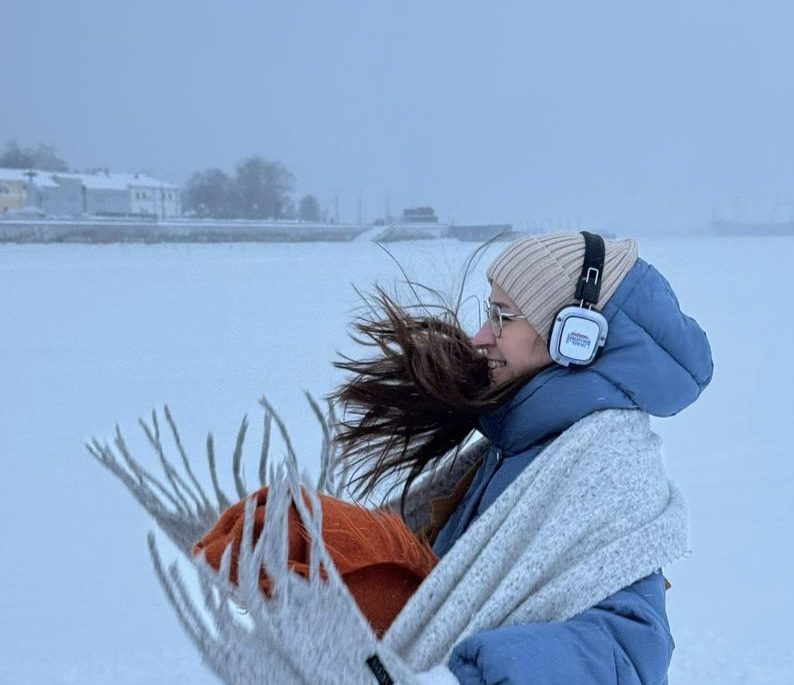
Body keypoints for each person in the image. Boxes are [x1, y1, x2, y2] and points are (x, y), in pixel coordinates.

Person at [104, 230, 712, 685]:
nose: (479, 335)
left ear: (574, 339)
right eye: (487, 310)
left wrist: (465, 672)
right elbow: (445, 572)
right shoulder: (514, 444)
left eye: (503, 316)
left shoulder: (602, 468)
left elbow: (632, 652)